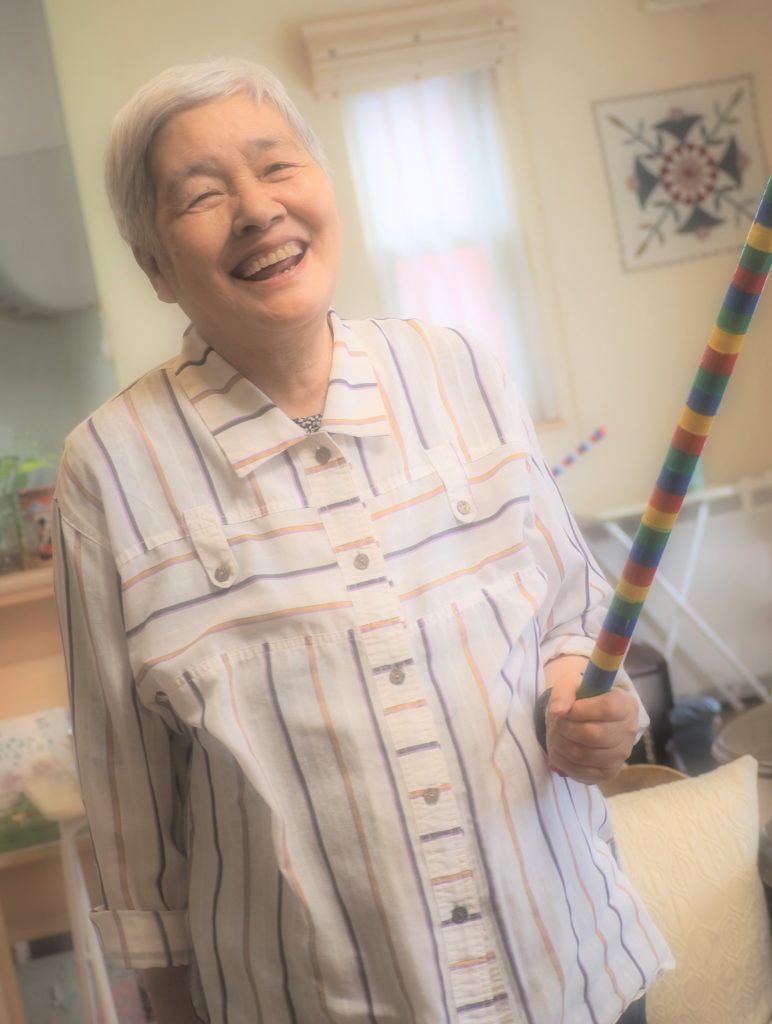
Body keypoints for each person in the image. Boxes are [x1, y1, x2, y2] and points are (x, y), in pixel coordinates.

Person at [53, 58, 671, 1024]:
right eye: (203, 196)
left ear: (324, 186)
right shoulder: (110, 468)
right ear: (153, 266)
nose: (259, 210)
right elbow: (127, 788)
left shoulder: (459, 369)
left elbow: (570, 611)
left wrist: (584, 699)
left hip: (570, 975)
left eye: (277, 166)